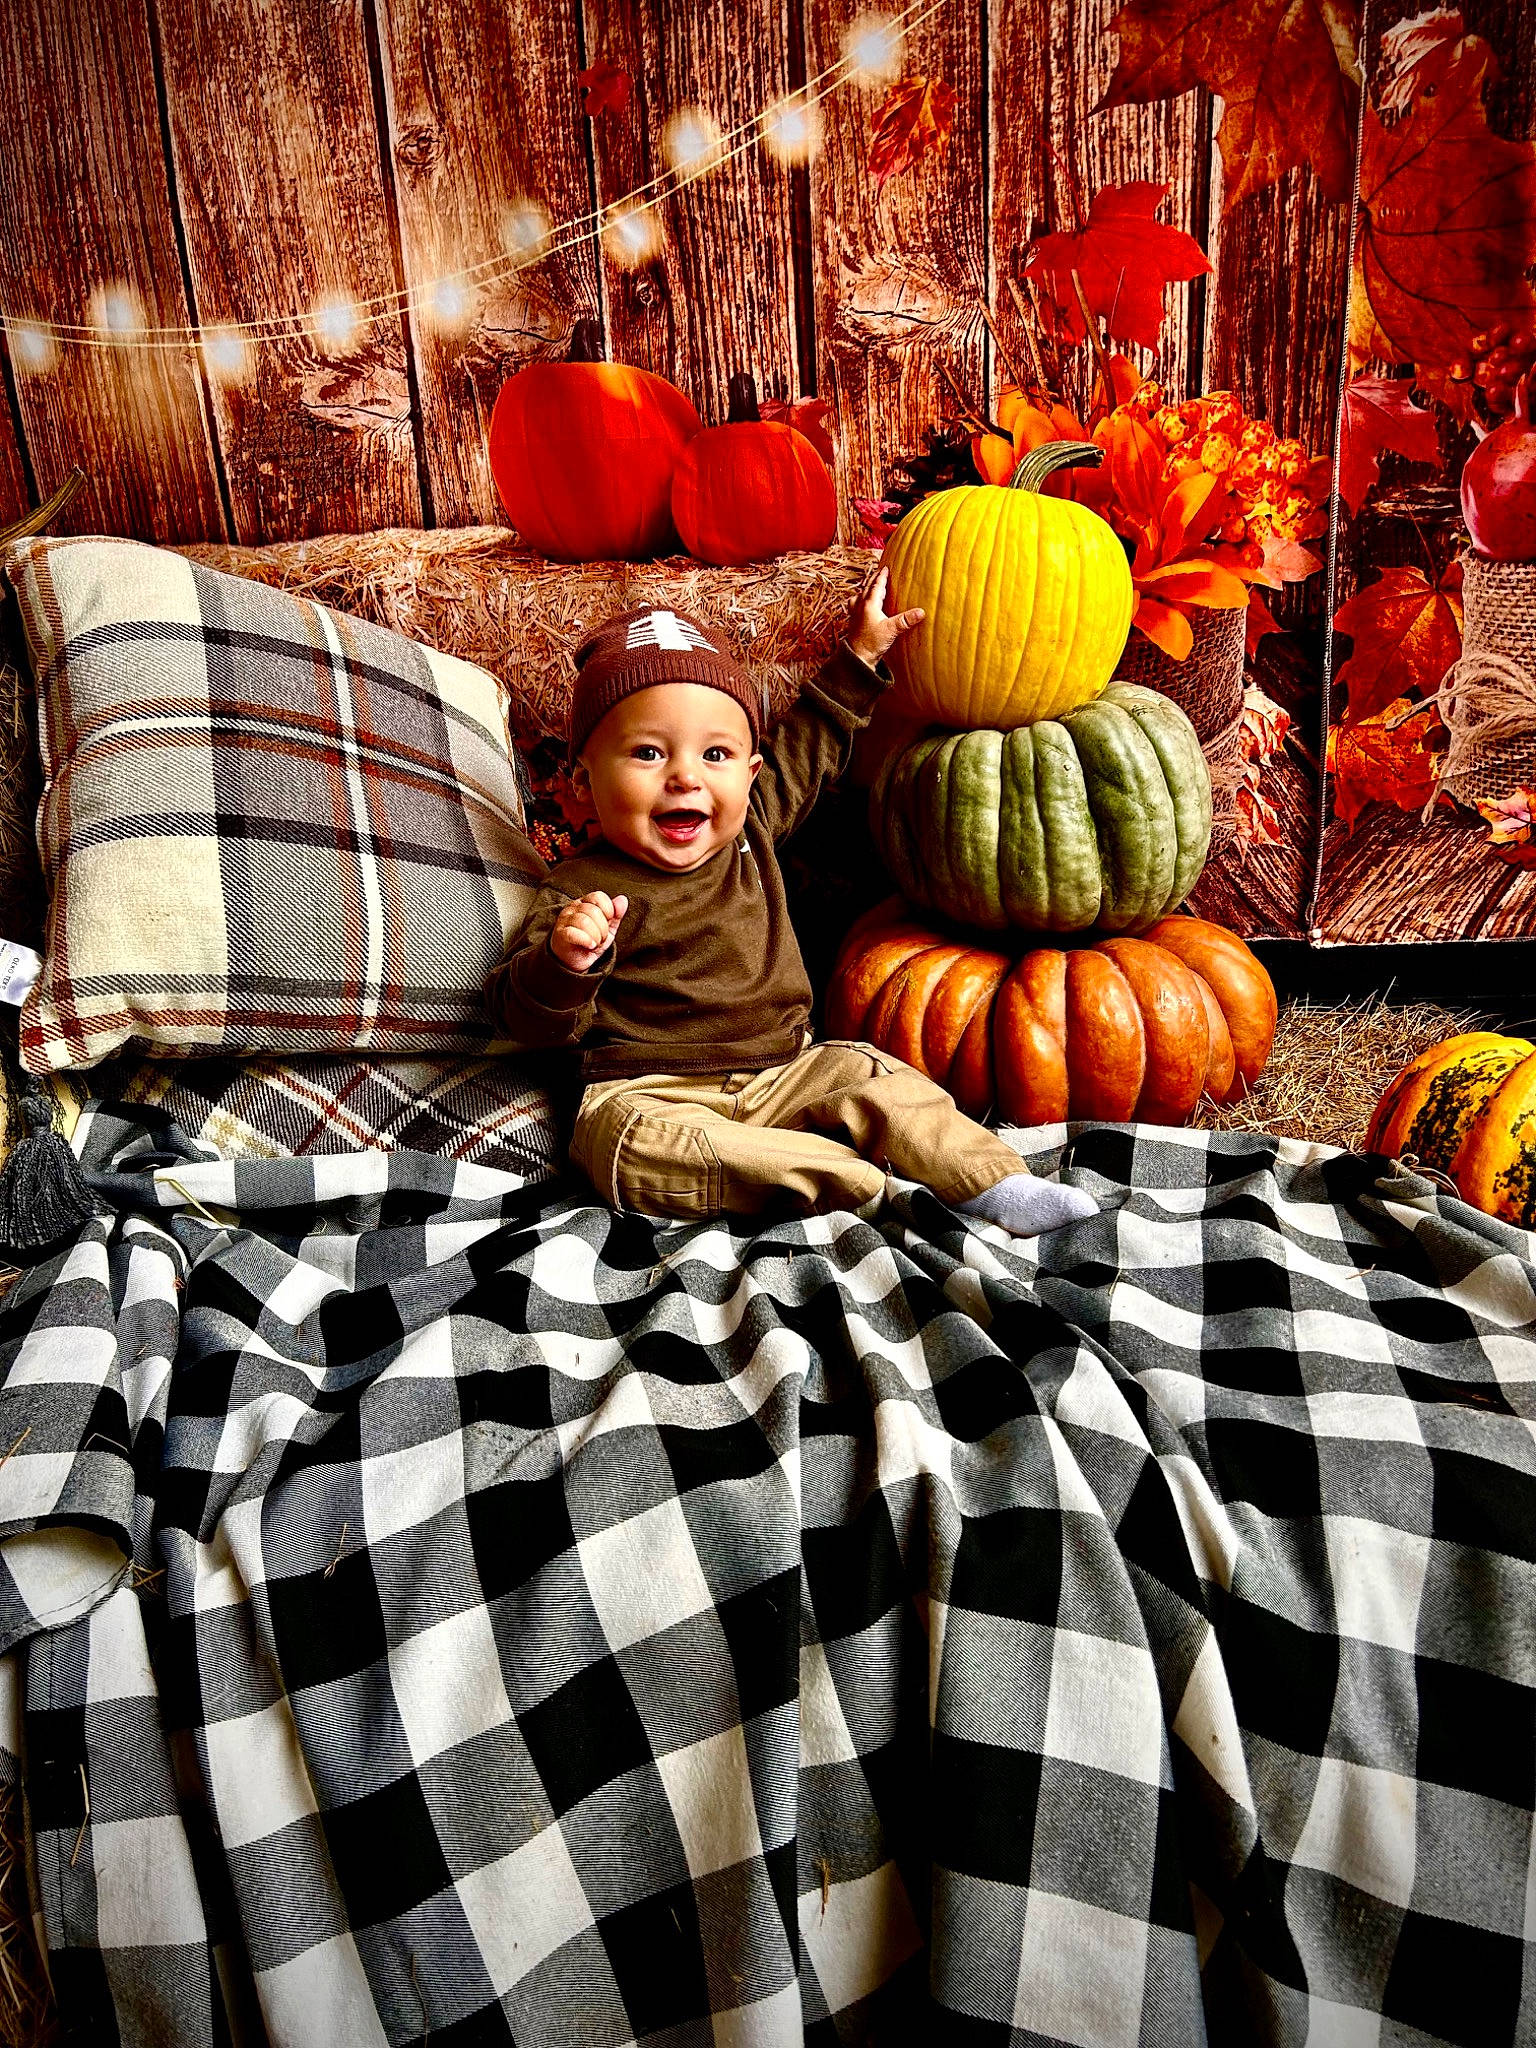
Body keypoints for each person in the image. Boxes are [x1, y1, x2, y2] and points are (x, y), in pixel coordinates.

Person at [484, 575, 1095, 1237]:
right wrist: (566, 961)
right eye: (648, 752)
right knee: (628, 1144)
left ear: (748, 776)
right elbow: (528, 1020)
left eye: (715, 753)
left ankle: (992, 1182)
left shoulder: (751, 830)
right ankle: (871, 1190)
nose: (686, 775)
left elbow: (808, 747)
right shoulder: (581, 893)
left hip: (786, 1072)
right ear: (583, 781)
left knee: (870, 1073)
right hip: (651, 1092)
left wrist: (860, 659)